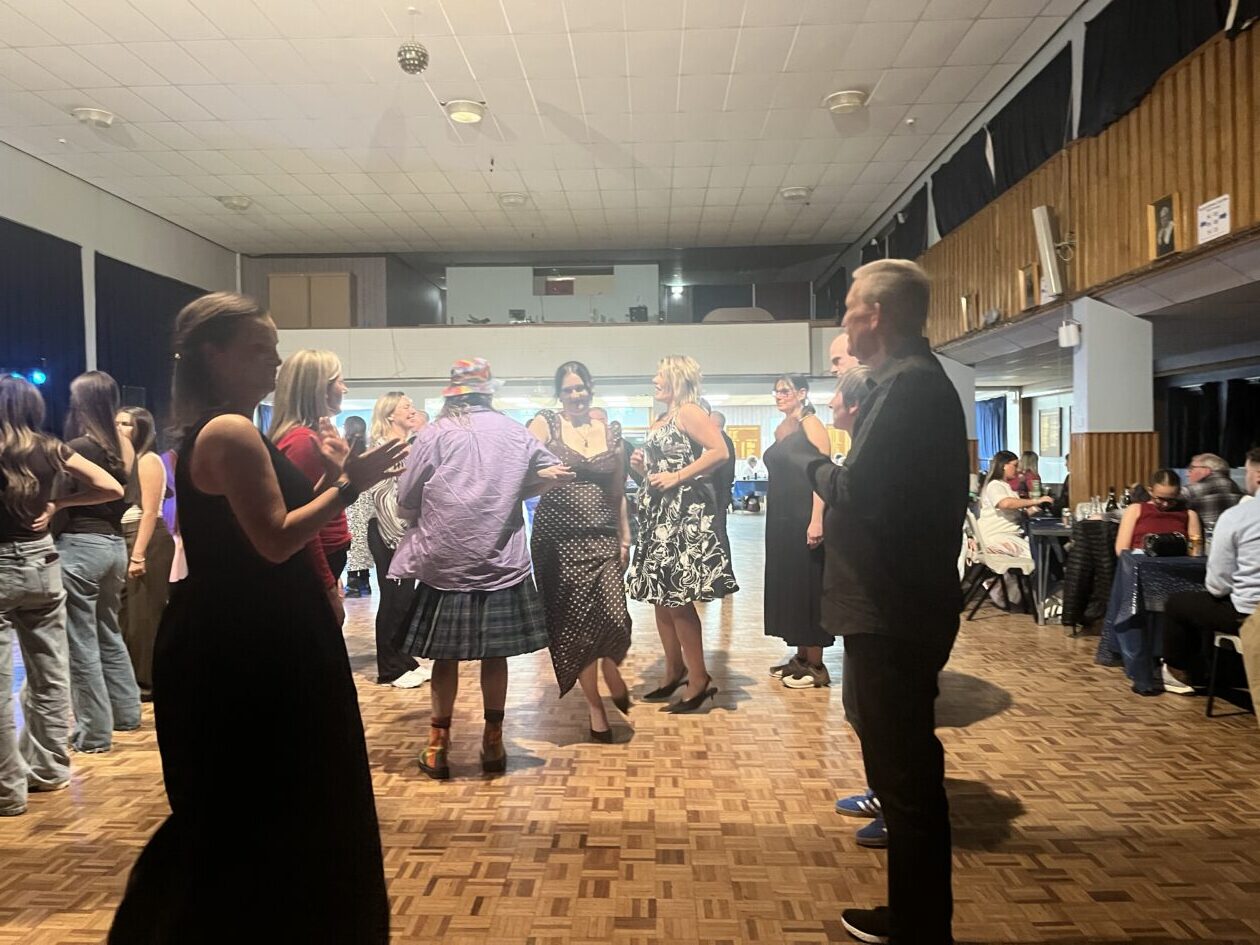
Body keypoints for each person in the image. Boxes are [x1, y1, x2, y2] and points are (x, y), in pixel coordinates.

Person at [109, 292, 404, 943]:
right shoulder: (232, 432)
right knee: (273, 802)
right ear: (214, 356)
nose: (275, 359)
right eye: (259, 348)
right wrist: (347, 484)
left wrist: (333, 477)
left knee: (253, 805)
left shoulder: (231, 430)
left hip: (248, 639)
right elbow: (273, 539)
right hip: (250, 649)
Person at [782, 259, 968, 945]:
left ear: (877, 315)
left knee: (908, 778)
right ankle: (913, 916)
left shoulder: (912, 388)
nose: (843, 322)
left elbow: (860, 492)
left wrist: (806, 455)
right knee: (900, 772)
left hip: (895, 610)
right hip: (891, 607)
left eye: (850, 309)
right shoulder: (902, 383)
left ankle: (922, 927)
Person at [389, 359, 574, 780]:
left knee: (444, 658)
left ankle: (438, 747)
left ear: (452, 394)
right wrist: (521, 487)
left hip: (446, 559)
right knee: (496, 655)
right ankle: (493, 742)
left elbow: (406, 495)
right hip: (501, 560)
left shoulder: (435, 432)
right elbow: (553, 471)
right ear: (488, 393)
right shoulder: (514, 432)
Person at [1, 377, 123, 817]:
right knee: (51, 675)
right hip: (42, 564)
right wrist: (58, 506)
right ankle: (50, 770)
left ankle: (6, 792)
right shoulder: (52, 448)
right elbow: (112, 487)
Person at [527, 361, 633, 742]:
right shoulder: (545, 424)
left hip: (603, 536)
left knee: (614, 614)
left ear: (591, 389)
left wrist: (624, 537)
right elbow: (516, 473)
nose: (575, 395)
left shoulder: (612, 431)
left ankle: (610, 666)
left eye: (581, 388)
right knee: (576, 626)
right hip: (557, 540)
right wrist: (543, 476)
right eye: (568, 389)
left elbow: (618, 490)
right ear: (559, 394)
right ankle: (595, 708)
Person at [626, 355, 737, 713]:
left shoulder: (689, 411)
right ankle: (675, 669)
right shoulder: (662, 417)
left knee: (677, 598)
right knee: (661, 596)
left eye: (659, 374)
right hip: (659, 515)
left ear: (675, 377)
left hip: (682, 517)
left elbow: (719, 451)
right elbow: (660, 470)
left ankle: (699, 677)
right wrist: (643, 470)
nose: (654, 379)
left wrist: (677, 476)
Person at [58, 371, 142, 753]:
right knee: (109, 632)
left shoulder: (76, 446)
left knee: (81, 643)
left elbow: (62, 495)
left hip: (80, 545)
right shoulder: (125, 445)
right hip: (113, 547)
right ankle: (126, 714)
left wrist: (60, 503)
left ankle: (93, 734)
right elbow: (126, 493)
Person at [1162, 447, 1260, 694]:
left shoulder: (1239, 516)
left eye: (1247, 471)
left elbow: (1217, 585)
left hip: (1249, 613)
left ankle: (1180, 672)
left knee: (1178, 603)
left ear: (1257, 476)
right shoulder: (1236, 497)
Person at [268, 349, 351, 624]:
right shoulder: (304, 441)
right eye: (339, 381)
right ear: (321, 389)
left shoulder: (306, 437)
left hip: (323, 558)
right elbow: (305, 526)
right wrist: (327, 584)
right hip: (318, 558)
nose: (345, 388)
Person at [764, 374, 833, 689]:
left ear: (802, 393)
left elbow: (821, 474)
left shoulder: (812, 424)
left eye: (785, 391)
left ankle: (817, 665)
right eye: (776, 391)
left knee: (808, 584)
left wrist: (817, 518)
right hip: (781, 518)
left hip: (804, 515)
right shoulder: (783, 428)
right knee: (791, 584)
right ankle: (802, 656)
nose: (779, 395)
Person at [365, 392, 428, 689]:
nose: (411, 410)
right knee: (392, 601)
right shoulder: (383, 448)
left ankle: (403, 658)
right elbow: (381, 496)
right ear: (390, 414)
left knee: (404, 601)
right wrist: (398, 537)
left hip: (406, 534)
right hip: (389, 534)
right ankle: (388, 668)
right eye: (405, 406)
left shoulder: (409, 445)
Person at [115, 407, 174, 701]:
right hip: (128, 537)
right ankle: (132, 683)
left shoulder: (149, 460)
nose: (120, 428)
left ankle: (148, 685)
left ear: (141, 428)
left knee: (144, 618)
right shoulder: (125, 460)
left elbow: (151, 511)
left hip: (147, 540)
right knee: (128, 617)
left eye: (126, 423)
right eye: (116, 422)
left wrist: (138, 554)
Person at [979, 451, 1053, 558]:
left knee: (1044, 549)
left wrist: (1031, 511)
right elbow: (1005, 503)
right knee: (1040, 554)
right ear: (1004, 466)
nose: (1018, 469)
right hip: (997, 536)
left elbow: (1012, 513)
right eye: (1015, 465)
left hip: (1008, 535)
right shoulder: (994, 485)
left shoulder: (1006, 486)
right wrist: (1035, 501)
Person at [1114, 468, 1202, 555]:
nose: (1165, 504)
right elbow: (1122, 550)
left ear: (1178, 493)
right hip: (1141, 564)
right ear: (1150, 491)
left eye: (1171, 500)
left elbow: (1195, 551)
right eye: (1160, 499)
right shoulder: (1135, 510)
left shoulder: (1189, 515)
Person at [341, 415, 375, 598]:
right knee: (364, 538)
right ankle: (365, 580)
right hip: (367, 499)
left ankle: (353, 582)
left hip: (350, 498)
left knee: (353, 539)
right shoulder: (368, 451)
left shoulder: (343, 451)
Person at [1183, 452, 1243, 534]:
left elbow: (1164, 502)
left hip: (1207, 544)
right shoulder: (1244, 493)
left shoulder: (1190, 491)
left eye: (1191, 468)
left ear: (1206, 470)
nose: (1187, 474)